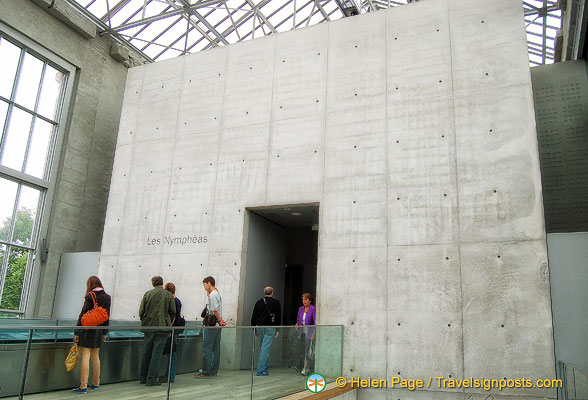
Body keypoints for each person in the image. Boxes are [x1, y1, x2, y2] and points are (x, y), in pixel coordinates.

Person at [72, 276, 111, 394]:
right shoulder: (107, 297)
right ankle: (95, 383)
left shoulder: (90, 296)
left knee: (85, 357)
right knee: (95, 358)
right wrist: (105, 332)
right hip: (99, 331)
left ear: (90, 285)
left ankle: (83, 386)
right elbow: (107, 316)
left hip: (87, 330)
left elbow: (82, 314)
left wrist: (77, 331)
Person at [139, 276, 176, 387]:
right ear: (162, 283)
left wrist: (145, 321)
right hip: (162, 328)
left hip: (148, 327)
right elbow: (173, 311)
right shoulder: (168, 295)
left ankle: (143, 378)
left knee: (146, 352)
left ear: (153, 284)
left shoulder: (147, 294)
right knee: (156, 354)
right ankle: (151, 379)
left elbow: (141, 311)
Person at [195, 276, 226, 378]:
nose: (204, 287)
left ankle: (206, 371)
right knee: (216, 348)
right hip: (217, 326)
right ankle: (213, 370)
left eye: (204, 284)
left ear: (209, 283)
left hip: (211, 325)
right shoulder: (216, 294)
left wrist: (219, 320)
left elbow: (214, 310)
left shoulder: (213, 295)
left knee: (207, 348)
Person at [251, 287, 282, 376]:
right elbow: (278, 316)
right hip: (270, 328)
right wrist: (277, 329)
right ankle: (260, 369)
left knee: (263, 348)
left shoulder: (258, 302)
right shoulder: (276, 302)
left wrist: (254, 329)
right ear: (272, 293)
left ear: (265, 293)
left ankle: (265, 366)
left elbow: (254, 316)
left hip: (260, 327)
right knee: (265, 348)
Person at [162, 282, 183, 383]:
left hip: (172, 329)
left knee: (172, 353)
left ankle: (169, 376)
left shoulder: (172, 301)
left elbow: (173, 316)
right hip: (177, 329)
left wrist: (168, 328)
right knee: (173, 352)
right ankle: (170, 375)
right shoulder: (178, 300)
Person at [295, 293, 316, 376]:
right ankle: (301, 366)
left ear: (309, 300)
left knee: (307, 350)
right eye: (303, 300)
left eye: (306, 299)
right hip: (301, 332)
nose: (304, 301)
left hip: (309, 332)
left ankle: (306, 368)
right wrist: (297, 324)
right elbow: (298, 320)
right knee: (302, 349)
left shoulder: (313, 309)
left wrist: (313, 334)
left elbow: (314, 322)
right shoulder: (300, 309)